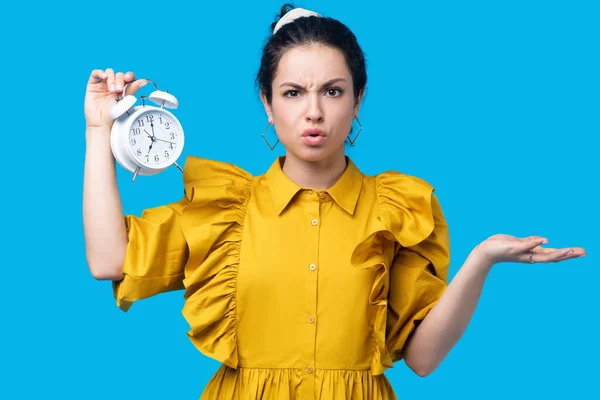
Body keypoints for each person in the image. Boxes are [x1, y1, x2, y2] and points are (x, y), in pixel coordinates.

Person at [82, 5, 586, 399]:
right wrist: (98, 128)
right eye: (294, 93)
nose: (314, 112)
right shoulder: (225, 209)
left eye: (333, 90)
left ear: (358, 98)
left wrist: (481, 261)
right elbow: (109, 261)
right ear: (268, 102)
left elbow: (423, 359)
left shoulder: (398, 210)